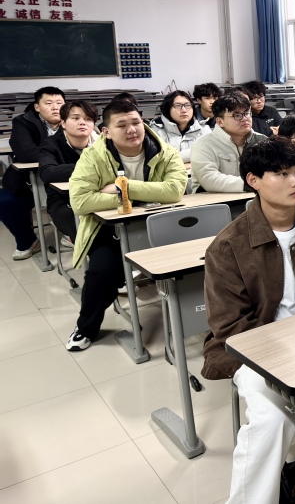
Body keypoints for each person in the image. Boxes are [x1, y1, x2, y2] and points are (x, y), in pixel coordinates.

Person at [201, 138, 295, 504]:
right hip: (256, 352)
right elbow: (230, 327)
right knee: (273, 421)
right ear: (253, 180)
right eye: (282, 174)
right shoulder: (227, 246)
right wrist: (290, 352)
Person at [66, 99, 187, 351]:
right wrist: (145, 195)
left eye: (136, 122)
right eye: (122, 125)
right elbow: (80, 201)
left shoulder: (164, 151)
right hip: (109, 229)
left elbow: (175, 191)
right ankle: (86, 327)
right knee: (101, 273)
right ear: (106, 132)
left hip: (159, 224)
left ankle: (193, 315)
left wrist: (124, 188)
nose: (132, 130)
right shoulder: (93, 156)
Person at [0, 86, 65, 260]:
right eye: (48, 103)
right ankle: (28, 241)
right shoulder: (23, 122)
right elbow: (26, 152)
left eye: (59, 103)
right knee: (6, 201)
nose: (55, 107)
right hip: (27, 180)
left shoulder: (72, 120)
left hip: (61, 176)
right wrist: (57, 156)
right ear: (37, 107)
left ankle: (72, 235)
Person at [37, 100, 98, 244]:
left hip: (98, 194)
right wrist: (89, 168)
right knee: (86, 233)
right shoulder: (50, 144)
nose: (82, 123)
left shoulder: (103, 143)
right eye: (75, 118)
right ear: (63, 123)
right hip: (63, 200)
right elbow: (48, 172)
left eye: (88, 119)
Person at [190, 93, 267, 193]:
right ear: (220, 122)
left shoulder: (262, 141)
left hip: (255, 195)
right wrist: (253, 184)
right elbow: (209, 179)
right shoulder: (203, 145)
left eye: (247, 113)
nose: (245, 118)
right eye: (237, 115)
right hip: (214, 200)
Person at [149, 90, 211, 162]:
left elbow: (212, 155)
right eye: (178, 106)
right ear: (167, 109)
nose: (184, 110)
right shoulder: (155, 132)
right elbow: (159, 160)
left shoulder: (204, 130)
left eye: (188, 105)